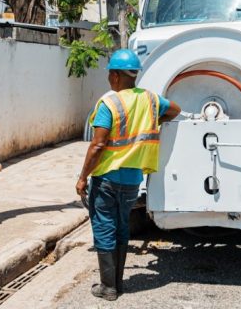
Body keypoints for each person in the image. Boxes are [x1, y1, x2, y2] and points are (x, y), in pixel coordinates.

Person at [75, 49, 181, 301]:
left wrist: (82, 178)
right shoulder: (151, 100)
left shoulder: (109, 103)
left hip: (107, 178)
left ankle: (108, 287)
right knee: (122, 226)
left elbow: (98, 145)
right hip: (133, 179)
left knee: (103, 227)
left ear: (114, 76)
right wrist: (156, 117)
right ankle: (117, 283)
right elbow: (175, 109)